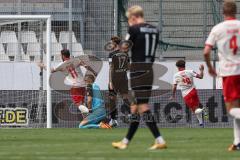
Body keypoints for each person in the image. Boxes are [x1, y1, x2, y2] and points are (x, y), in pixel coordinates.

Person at [112, 5, 167, 150]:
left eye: (129, 20)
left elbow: (125, 47)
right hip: (149, 70)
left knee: (142, 106)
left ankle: (159, 140)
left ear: (134, 17)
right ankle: (125, 142)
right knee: (135, 107)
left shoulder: (134, 29)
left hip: (138, 70)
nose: (129, 23)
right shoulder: (155, 30)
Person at [204, 1, 240, 151]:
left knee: (231, 108)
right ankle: (238, 142)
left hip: (229, 72)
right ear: (236, 11)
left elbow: (206, 51)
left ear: (223, 12)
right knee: (238, 107)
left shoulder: (218, 28)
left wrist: (210, 67)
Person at [38, 49, 96, 114]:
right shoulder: (76, 60)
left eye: (61, 55)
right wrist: (93, 71)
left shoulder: (61, 65)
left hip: (75, 86)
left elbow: (51, 70)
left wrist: (42, 66)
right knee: (82, 104)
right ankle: (86, 119)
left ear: (63, 56)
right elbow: (86, 66)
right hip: (83, 84)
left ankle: (89, 112)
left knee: (79, 105)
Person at [107, 36, 133, 127]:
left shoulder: (112, 54)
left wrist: (110, 82)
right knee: (125, 97)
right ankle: (130, 115)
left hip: (114, 79)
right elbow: (129, 67)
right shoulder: (125, 54)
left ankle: (113, 120)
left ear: (114, 43)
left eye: (111, 43)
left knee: (112, 100)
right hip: (123, 78)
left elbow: (111, 68)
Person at [170, 60, 205, 127]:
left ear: (178, 67)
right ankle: (201, 123)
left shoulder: (176, 75)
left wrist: (173, 95)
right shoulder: (190, 71)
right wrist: (202, 70)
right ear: (184, 65)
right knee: (196, 108)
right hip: (193, 91)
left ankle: (204, 109)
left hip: (186, 94)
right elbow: (201, 77)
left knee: (195, 110)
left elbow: (174, 86)